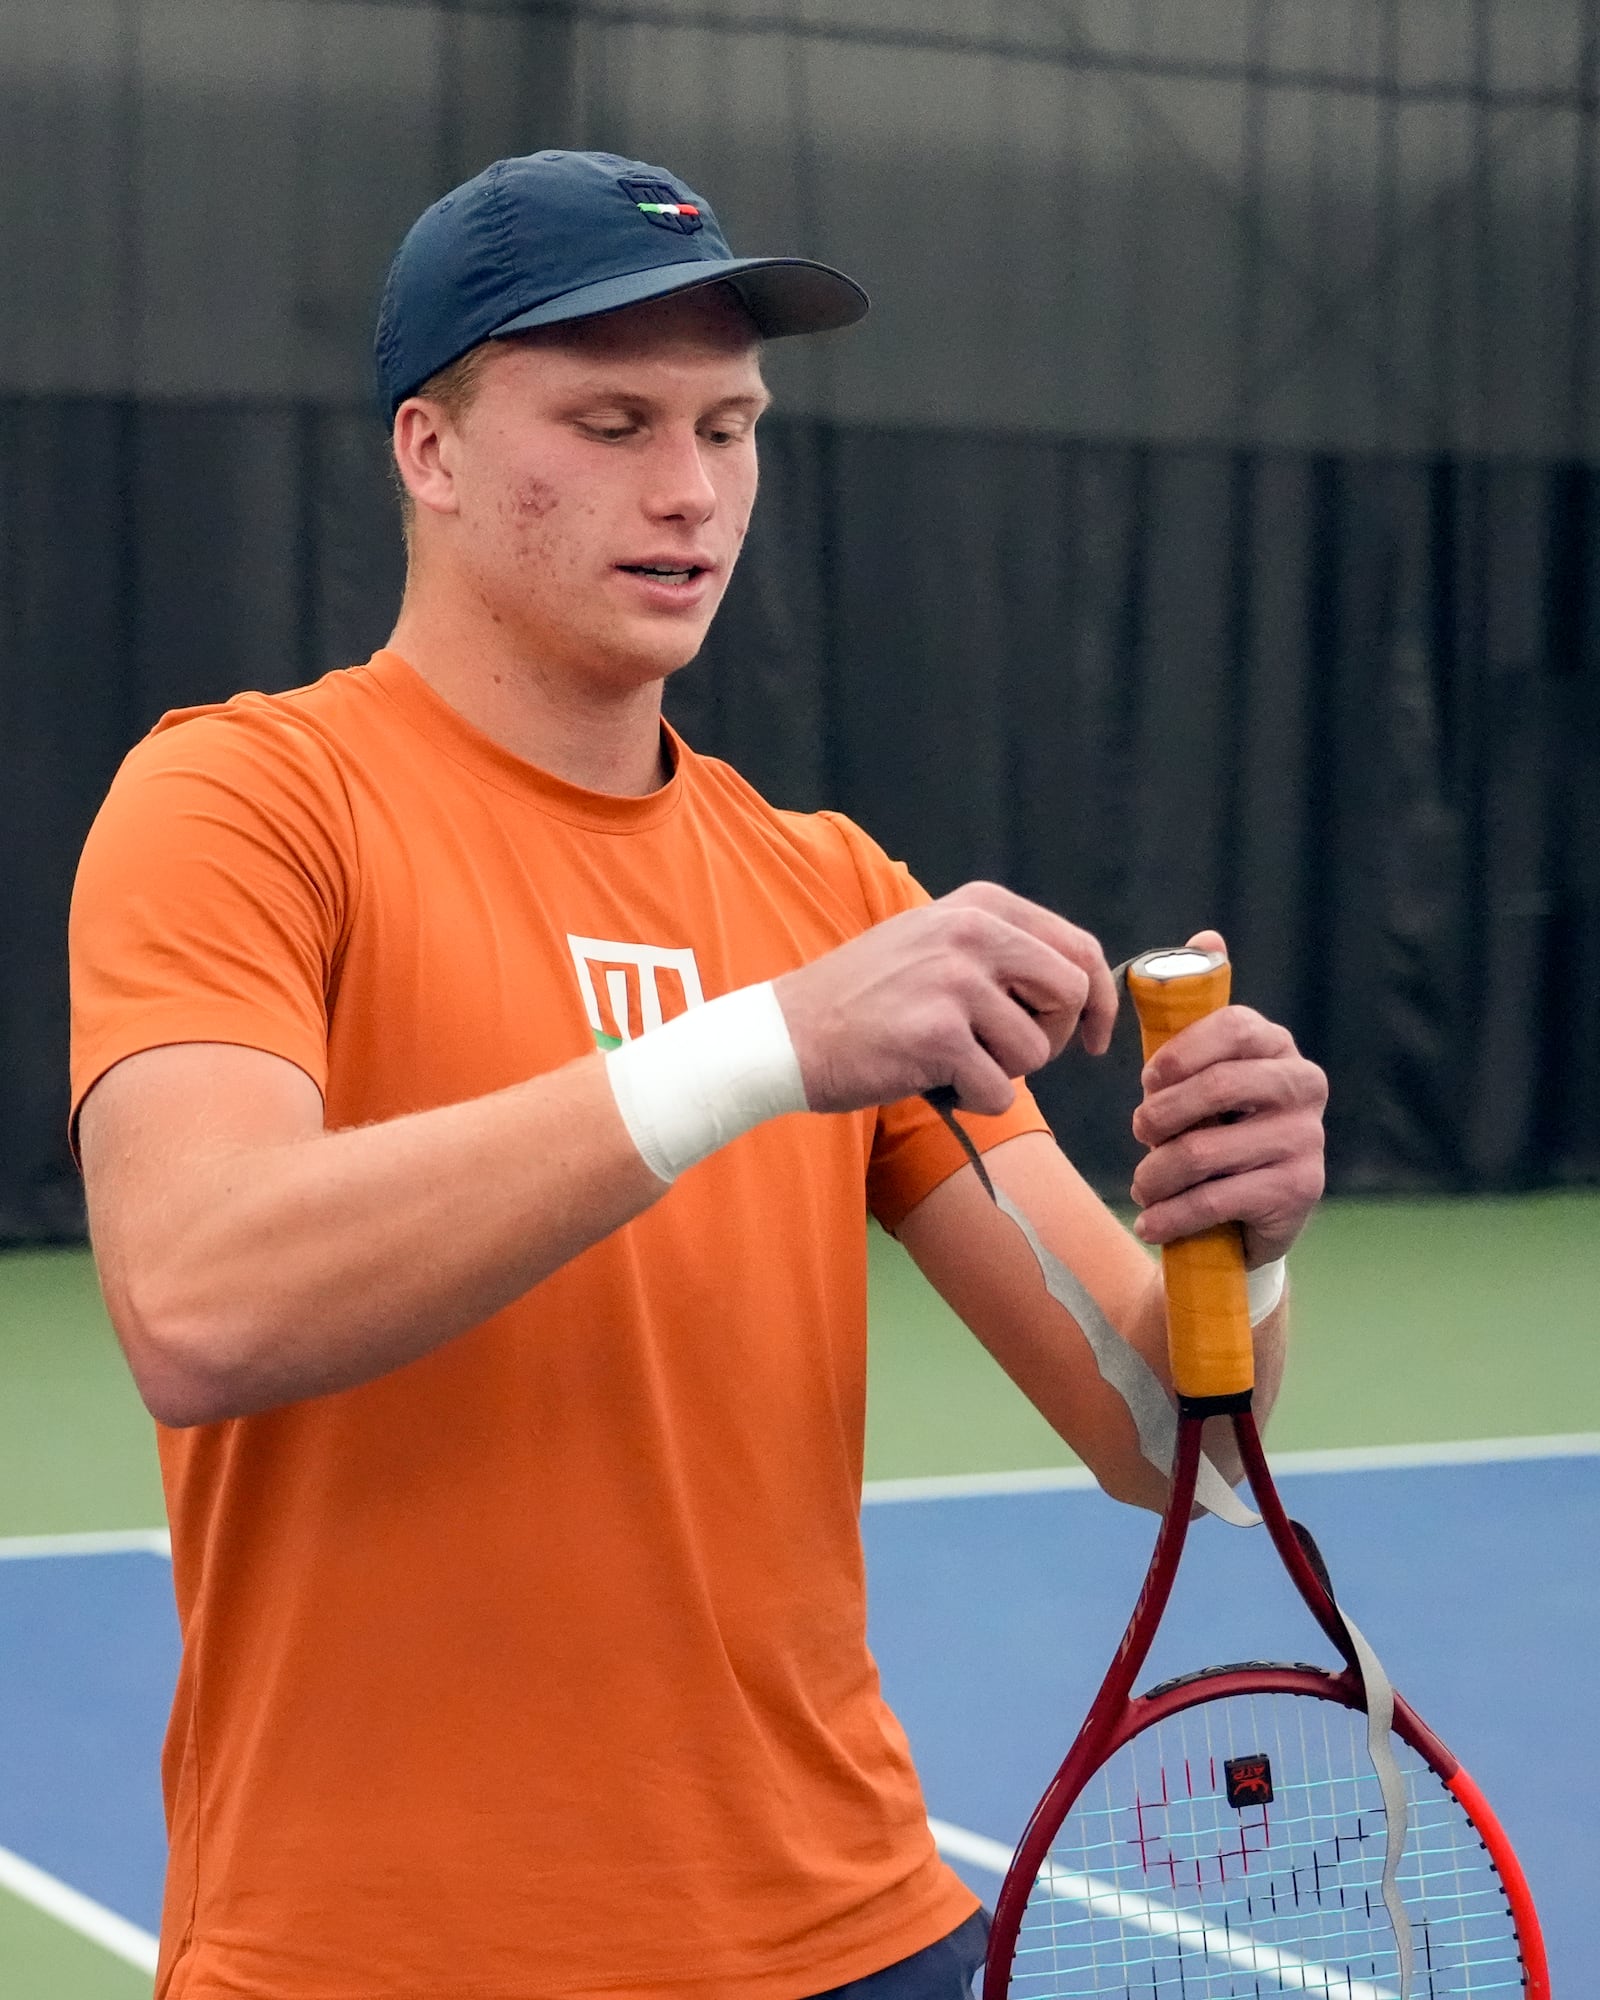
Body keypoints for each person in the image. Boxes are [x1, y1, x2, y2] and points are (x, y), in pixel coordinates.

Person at [69, 151, 1327, 2000]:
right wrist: (764, 1047)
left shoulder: (824, 888)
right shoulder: (244, 804)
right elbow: (199, 1296)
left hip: (858, 1934)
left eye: (731, 429)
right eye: (612, 420)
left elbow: (1169, 1449)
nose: (691, 491)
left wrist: (1244, 1240)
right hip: (382, 1956)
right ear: (426, 449)